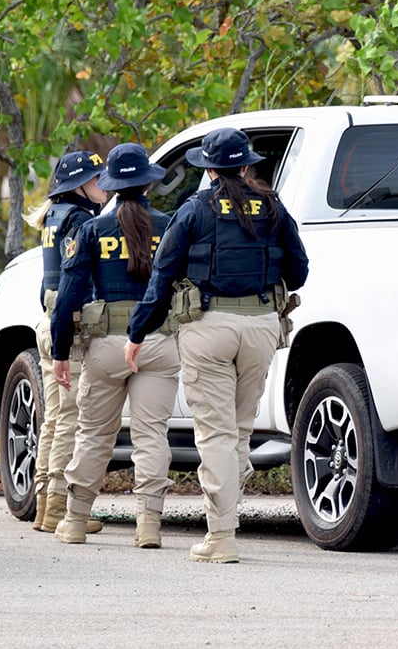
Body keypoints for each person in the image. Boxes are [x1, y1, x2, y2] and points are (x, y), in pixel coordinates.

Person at [125, 127, 308, 563]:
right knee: (239, 432)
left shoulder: (194, 211)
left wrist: (137, 333)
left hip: (208, 328)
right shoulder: (274, 208)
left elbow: (161, 277)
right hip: (262, 326)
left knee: (216, 434)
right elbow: (299, 272)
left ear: (208, 170)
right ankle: (225, 519)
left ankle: (221, 535)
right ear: (246, 166)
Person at [50, 143, 180, 549]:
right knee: (152, 436)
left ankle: (74, 521)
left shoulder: (92, 230)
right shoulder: (170, 225)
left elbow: (68, 296)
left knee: (93, 435)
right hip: (158, 343)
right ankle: (149, 526)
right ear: (147, 184)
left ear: (112, 185)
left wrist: (59, 352)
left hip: (105, 346)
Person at [22, 151, 108, 535]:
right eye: (96, 178)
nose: (103, 184)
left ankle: (44, 506)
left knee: (54, 420)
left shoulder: (55, 215)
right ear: (79, 186)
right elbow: (77, 280)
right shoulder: (79, 220)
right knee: (70, 420)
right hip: (66, 324)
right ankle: (58, 508)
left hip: (49, 319)